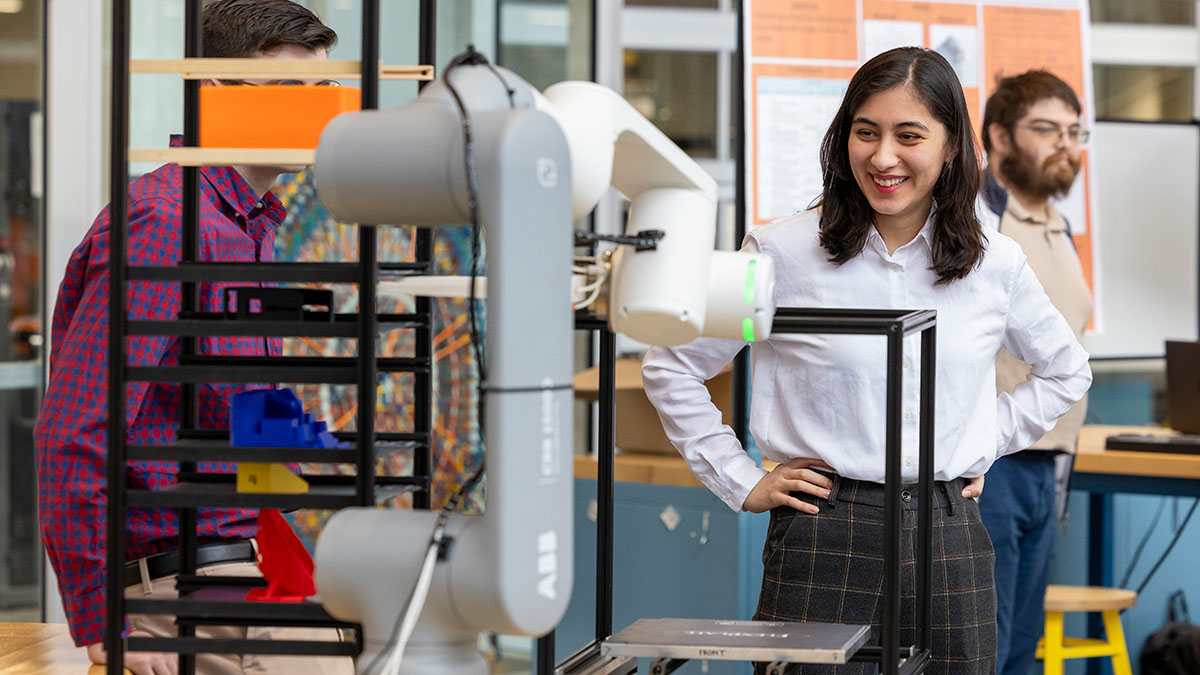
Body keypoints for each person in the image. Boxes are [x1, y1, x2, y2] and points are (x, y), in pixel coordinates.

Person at [642, 46, 1092, 674]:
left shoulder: (995, 261)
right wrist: (741, 480)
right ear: (842, 138)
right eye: (865, 133)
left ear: (951, 146)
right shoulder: (778, 251)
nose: (883, 158)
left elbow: (1067, 370)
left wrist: (978, 440)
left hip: (950, 535)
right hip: (823, 532)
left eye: (909, 136)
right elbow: (672, 364)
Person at [34, 2, 352, 674]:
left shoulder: (248, 227)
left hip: (243, 569)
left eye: (325, 92)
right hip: (179, 594)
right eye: (291, 93)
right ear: (216, 95)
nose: (317, 113)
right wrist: (101, 617)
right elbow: (74, 429)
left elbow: (222, 415)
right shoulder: (166, 223)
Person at [975, 70, 1094, 675]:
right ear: (999, 135)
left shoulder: (1058, 226)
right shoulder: (977, 220)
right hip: (991, 466)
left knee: (1022, 649)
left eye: (1074, 132)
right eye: (1046, 129)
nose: (1064, 145)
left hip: (1050, 465)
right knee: (983, 649)